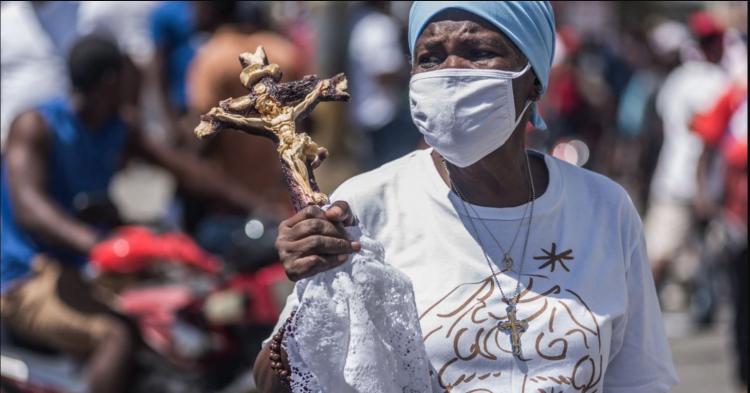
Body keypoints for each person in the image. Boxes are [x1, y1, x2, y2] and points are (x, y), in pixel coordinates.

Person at [254, 2, 678, 392]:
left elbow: (642, 379)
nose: (450, 71)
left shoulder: (604, 208)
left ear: (533, 79)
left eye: (478, 52)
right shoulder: (367, 203)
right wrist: (315, 291)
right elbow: (276, 384)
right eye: (430, 57)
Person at [0, 35, 266, 393]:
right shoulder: (36, 126)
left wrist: (258, 207)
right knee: (117, 337)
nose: (139, 82)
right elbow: (30, 208)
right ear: (112, 81)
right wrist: (97, 243)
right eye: (131, 74)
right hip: (25, 277)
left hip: (83, 270)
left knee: (186, 308)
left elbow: (187, 172)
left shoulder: (117, 126)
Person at [643, 10, 730, 286]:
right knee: (662, 258)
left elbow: (660, 127)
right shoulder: (718, 81)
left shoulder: (679, 78)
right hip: (697, 184)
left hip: (675, 177)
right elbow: (706, 141)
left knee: (667, 260)